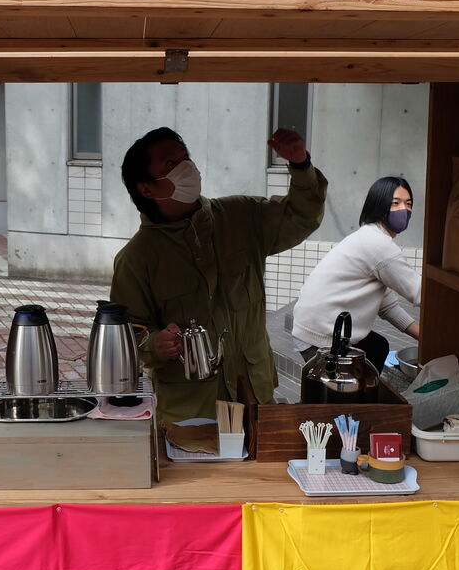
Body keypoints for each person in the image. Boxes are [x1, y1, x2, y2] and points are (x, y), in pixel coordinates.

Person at [110, 126, 327, 425]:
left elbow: (301, 217)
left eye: (185, 158)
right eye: (170, 164)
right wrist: (154, 345)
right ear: (146, 188)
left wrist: (301, 163)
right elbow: (126, 336)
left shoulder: (241, 216)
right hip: (192, 411)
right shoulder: (137, 259)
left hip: (254, 393)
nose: (186, 167)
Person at [291, 176, 421, 372]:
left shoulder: (368, 236)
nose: (404, 209)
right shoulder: (379, 244)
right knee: (345, 384)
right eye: (395, 203)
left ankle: (365, 390)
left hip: (312, 326)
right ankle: (352, 393)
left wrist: (423, 337)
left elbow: (387, 307)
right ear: (378, 205)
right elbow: (420, 292)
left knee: (377, 347)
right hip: (322, 335)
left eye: (408, 203)